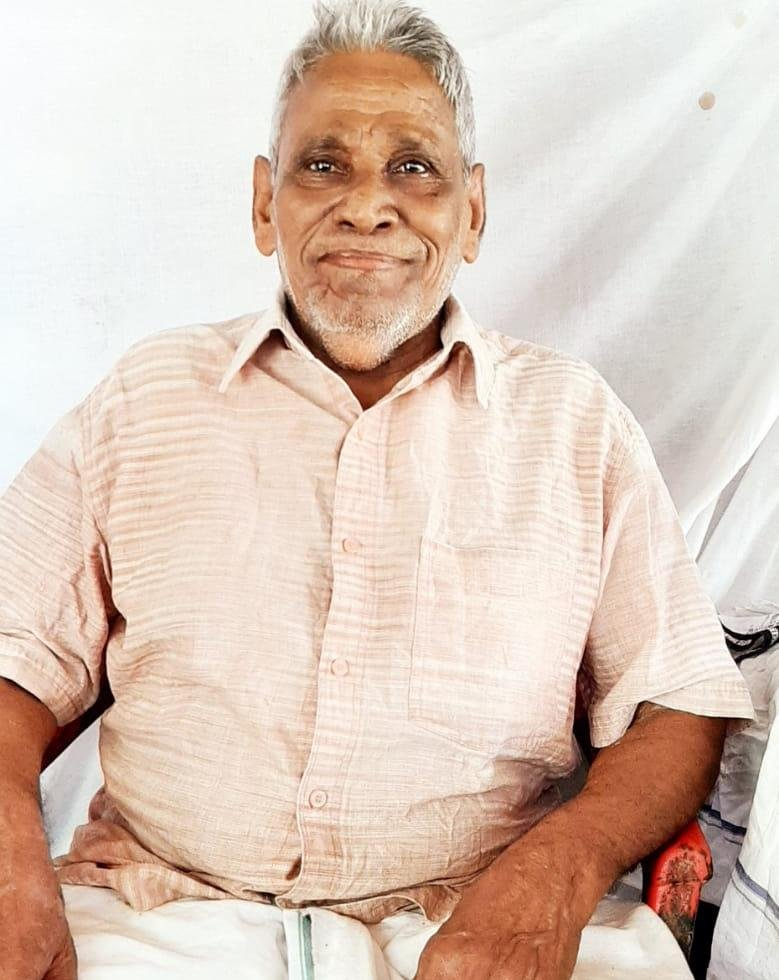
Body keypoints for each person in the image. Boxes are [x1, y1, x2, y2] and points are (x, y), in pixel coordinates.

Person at [0, 1, 753, 978]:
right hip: (157, 909)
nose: (366, 205)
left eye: (413, 167)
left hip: (478, 919)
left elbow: (675, 703)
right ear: (264, 203)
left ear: (471, 212)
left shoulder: (572, 423)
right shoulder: (146, 399)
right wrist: (10, 856)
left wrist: (558, 873)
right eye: (322, 165)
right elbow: (16, 651)